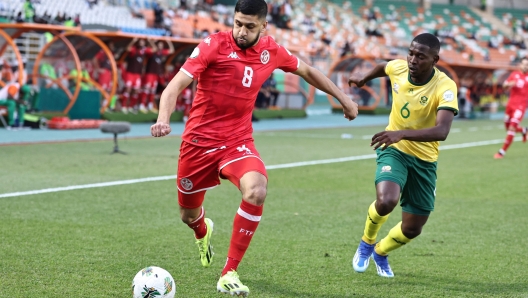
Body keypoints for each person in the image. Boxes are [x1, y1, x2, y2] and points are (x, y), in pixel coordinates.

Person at [150, 0, 358, 296]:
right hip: (198, 144)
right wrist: (163, 119)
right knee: (188, 214)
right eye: (237, 23)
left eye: (249, 26)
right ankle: (202, 230)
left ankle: (229, 271)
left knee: (256, 190)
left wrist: (344, 99)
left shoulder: (271, 50)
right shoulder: (212, 46)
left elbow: (309, 72)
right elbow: (174, 86)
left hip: (237, 142)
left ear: (263, 26)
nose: (241, 31)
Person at [348, 33, 458, 278]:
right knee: (386, 201)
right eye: (410, 53)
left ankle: (381, 251)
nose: (412, 59)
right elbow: (384, 67)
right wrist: (364, 78)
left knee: (413, 228)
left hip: (425, 160)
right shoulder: (399, 67)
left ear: (434, 60)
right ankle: (366, 243)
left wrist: (402, 133)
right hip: (394, 150)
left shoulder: (445, 86)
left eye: (420, 56)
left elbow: (442, 131)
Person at [494, 57, 528, 159]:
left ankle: (501, 152)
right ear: (520, 65)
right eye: (524, 64)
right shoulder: (514, 74)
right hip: (510, 105)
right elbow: (504, 86)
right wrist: (509, 84)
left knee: (512, 127)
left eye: (527, 64)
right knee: (507, 126)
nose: (526, 66)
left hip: (520, 106)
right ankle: (523, 130)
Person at [140, 40, 174, 113]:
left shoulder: (161, 53)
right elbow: (153, 49)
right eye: (159, 45)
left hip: (155, 75)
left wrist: (168, 41)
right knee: (146, 89)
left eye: (161, 46)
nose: (160, 47)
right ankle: (142, 105)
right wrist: (151, 41)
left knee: (152, 90)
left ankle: (150, 106)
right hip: (149, 73)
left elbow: (171, 51)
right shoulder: (152, 52)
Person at [122, 38, 154, 113]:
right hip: (130, 73)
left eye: (143, 42)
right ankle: (124, 106)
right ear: (138, 43)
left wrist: (149, 41)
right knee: (128, 89)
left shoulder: (144, 51)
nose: (141, 43)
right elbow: (127, 48)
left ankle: (131, 106)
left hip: (138, 74)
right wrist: (133, 41)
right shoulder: (134, 49)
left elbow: (154, 49)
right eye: (140, 42)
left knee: (136, 90)